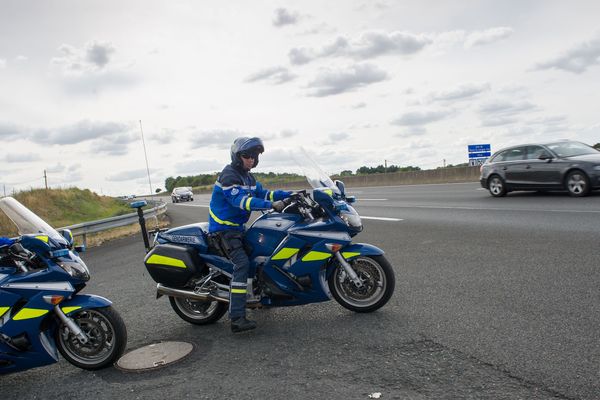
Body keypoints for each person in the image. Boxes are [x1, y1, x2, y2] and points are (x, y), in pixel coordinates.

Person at [208, 137, 291, 333]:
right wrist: (270, 205)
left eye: (254, 156)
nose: (251, 160)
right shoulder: (229, 176)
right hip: (224, 230)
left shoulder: (248, 178)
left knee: (262, 252)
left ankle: (262, 294)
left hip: (237, 229)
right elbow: (241, 201)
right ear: (237, 157)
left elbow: (265, 194)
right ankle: (237, 317)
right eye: (247, 156)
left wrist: (288, 195)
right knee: (242, 264)